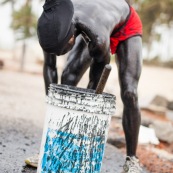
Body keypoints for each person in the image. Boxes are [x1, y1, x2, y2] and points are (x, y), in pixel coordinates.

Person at [26, 0, 143, 172]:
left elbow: (95, 89)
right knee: (67, 78)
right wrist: (54, 105)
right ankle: (52, 149)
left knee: (129, 93)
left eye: (62, 51)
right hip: (92, 19)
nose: (59, 55)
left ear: (72, 36)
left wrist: (84, 142)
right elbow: (50, 67)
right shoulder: (51, 24)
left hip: (125, 25)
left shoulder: (97, 37)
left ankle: (132, 159)